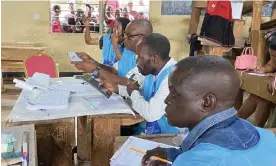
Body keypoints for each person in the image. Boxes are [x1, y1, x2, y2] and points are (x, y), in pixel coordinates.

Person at [141, 55, 276, 166]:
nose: (167, 100)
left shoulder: (194, 161)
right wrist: (173, 155)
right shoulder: (266, 137)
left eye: (175, 94)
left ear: (207, 102)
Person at [72, 19, 152, 79]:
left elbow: (128, 83)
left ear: (142, 37)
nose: (125, 38)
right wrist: (91, 61)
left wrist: (95, 69)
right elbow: (114, 70)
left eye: (128, 35)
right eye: (114, 27)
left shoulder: (147, 61)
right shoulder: (128, 53)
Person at [238, 37, 276, 127]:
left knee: (265, 96)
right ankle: (237, 121)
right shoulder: (274, 59)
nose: (272, 58)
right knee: (258, 94)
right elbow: (271, 65)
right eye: (271, 55)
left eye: (275, 56)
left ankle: (257, 129)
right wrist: (263, 69)